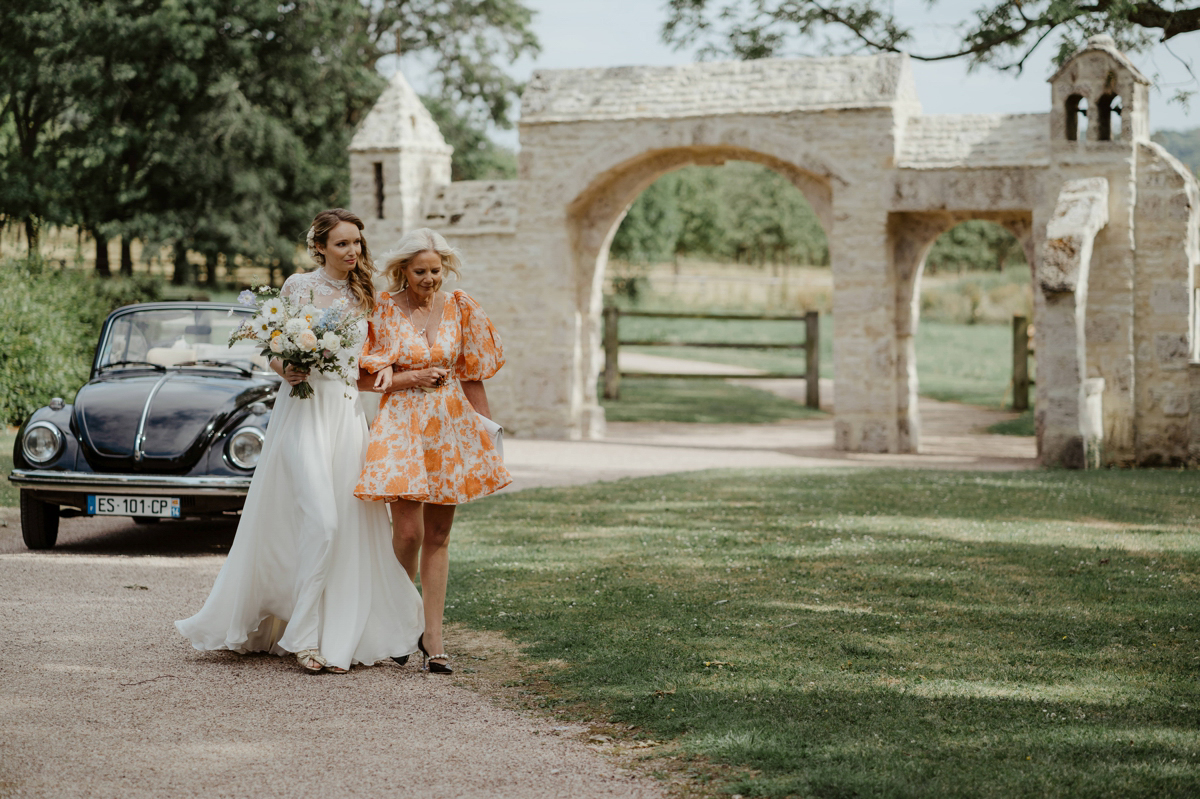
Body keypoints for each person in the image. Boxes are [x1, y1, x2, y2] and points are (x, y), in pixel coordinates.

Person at [176, 209, 423, 674]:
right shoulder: (297, 287)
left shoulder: (366, 295)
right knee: (323, 522)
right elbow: (271, 347)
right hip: (303, 414)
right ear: (320, 248)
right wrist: (284, 367)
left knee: (346, 527)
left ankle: (330, 629)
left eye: (357, 244)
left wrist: (400, 374)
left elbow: (370, 364)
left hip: (346, 419)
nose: (353, 252)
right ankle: (305, 640)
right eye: (343, 244)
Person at [355, 228, 510, 674]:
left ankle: (433, 637)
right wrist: (408, 378)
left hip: (450, 425)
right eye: (420, 271)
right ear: (403, 270)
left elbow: (474, 373)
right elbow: (363, 376)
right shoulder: (382, 310)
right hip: (402, 424)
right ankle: (397, 623)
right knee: (408, 533)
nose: (429, 279)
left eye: (436, 270)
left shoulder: (461, 307)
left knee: (440, 534)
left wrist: (485, 430)